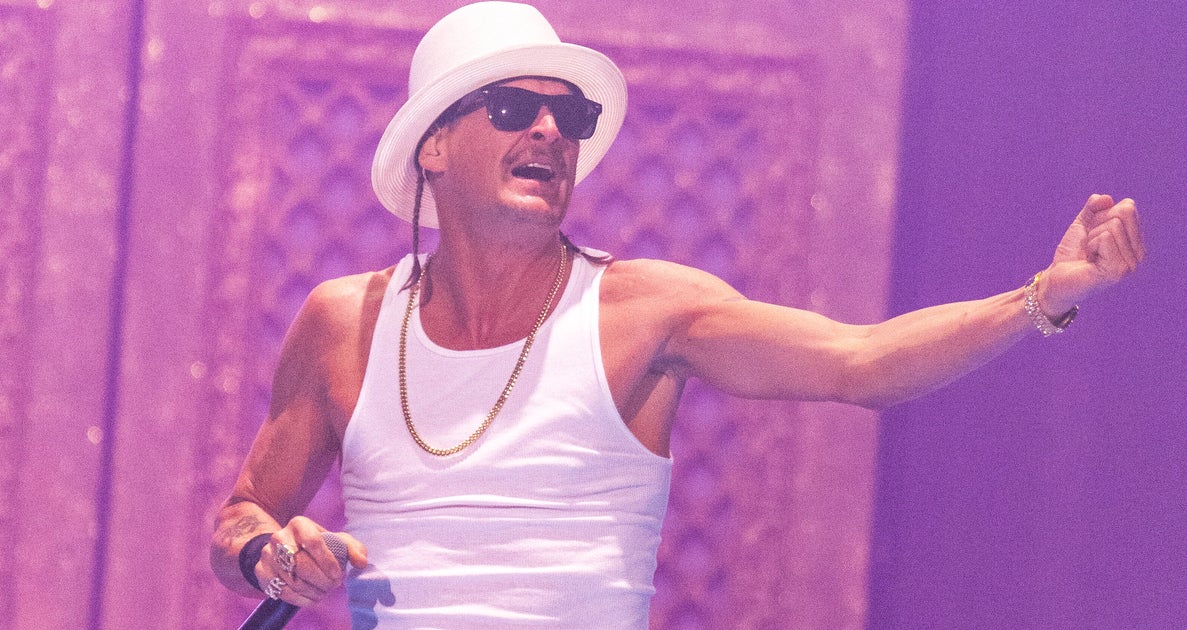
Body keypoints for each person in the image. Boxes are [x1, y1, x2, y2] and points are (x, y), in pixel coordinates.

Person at [209, 2, 1145, 627]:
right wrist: (271, 560)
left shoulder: (643, 308)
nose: (548, 131)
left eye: (568, 117)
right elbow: (243, 515)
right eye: (511, 106)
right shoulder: (346, 322)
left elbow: (858, 361)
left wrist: (1041, 297)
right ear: (434, 147)